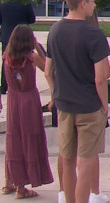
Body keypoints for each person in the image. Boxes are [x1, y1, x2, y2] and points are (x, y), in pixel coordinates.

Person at [45, 0, 110, 203]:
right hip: (89, 106)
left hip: (64, 105)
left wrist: (55, 93)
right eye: (92, 1)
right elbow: (101, 77)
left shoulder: (54, 31)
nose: (94, 6)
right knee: (85, 163)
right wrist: (105, 106)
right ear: (83, 3)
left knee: (67, 160)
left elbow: (47, 70)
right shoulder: (94, 35)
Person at [1, 25, 54, 199]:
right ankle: (22, 188)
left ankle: (9, 181)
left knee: (14, 139)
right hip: (28, 101)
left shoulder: (6, 57)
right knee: (29, 139)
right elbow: (49, 69)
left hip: (13, 100)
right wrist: (39, 48)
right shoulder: (31, 58)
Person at [0, 1, 36, 94]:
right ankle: (24, 83)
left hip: (7, 35)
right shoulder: (25, 3)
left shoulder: (3, 3)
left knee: (7, 61)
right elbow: (32, 19)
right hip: (23, 37)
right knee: (26, 61)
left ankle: (4, 86)